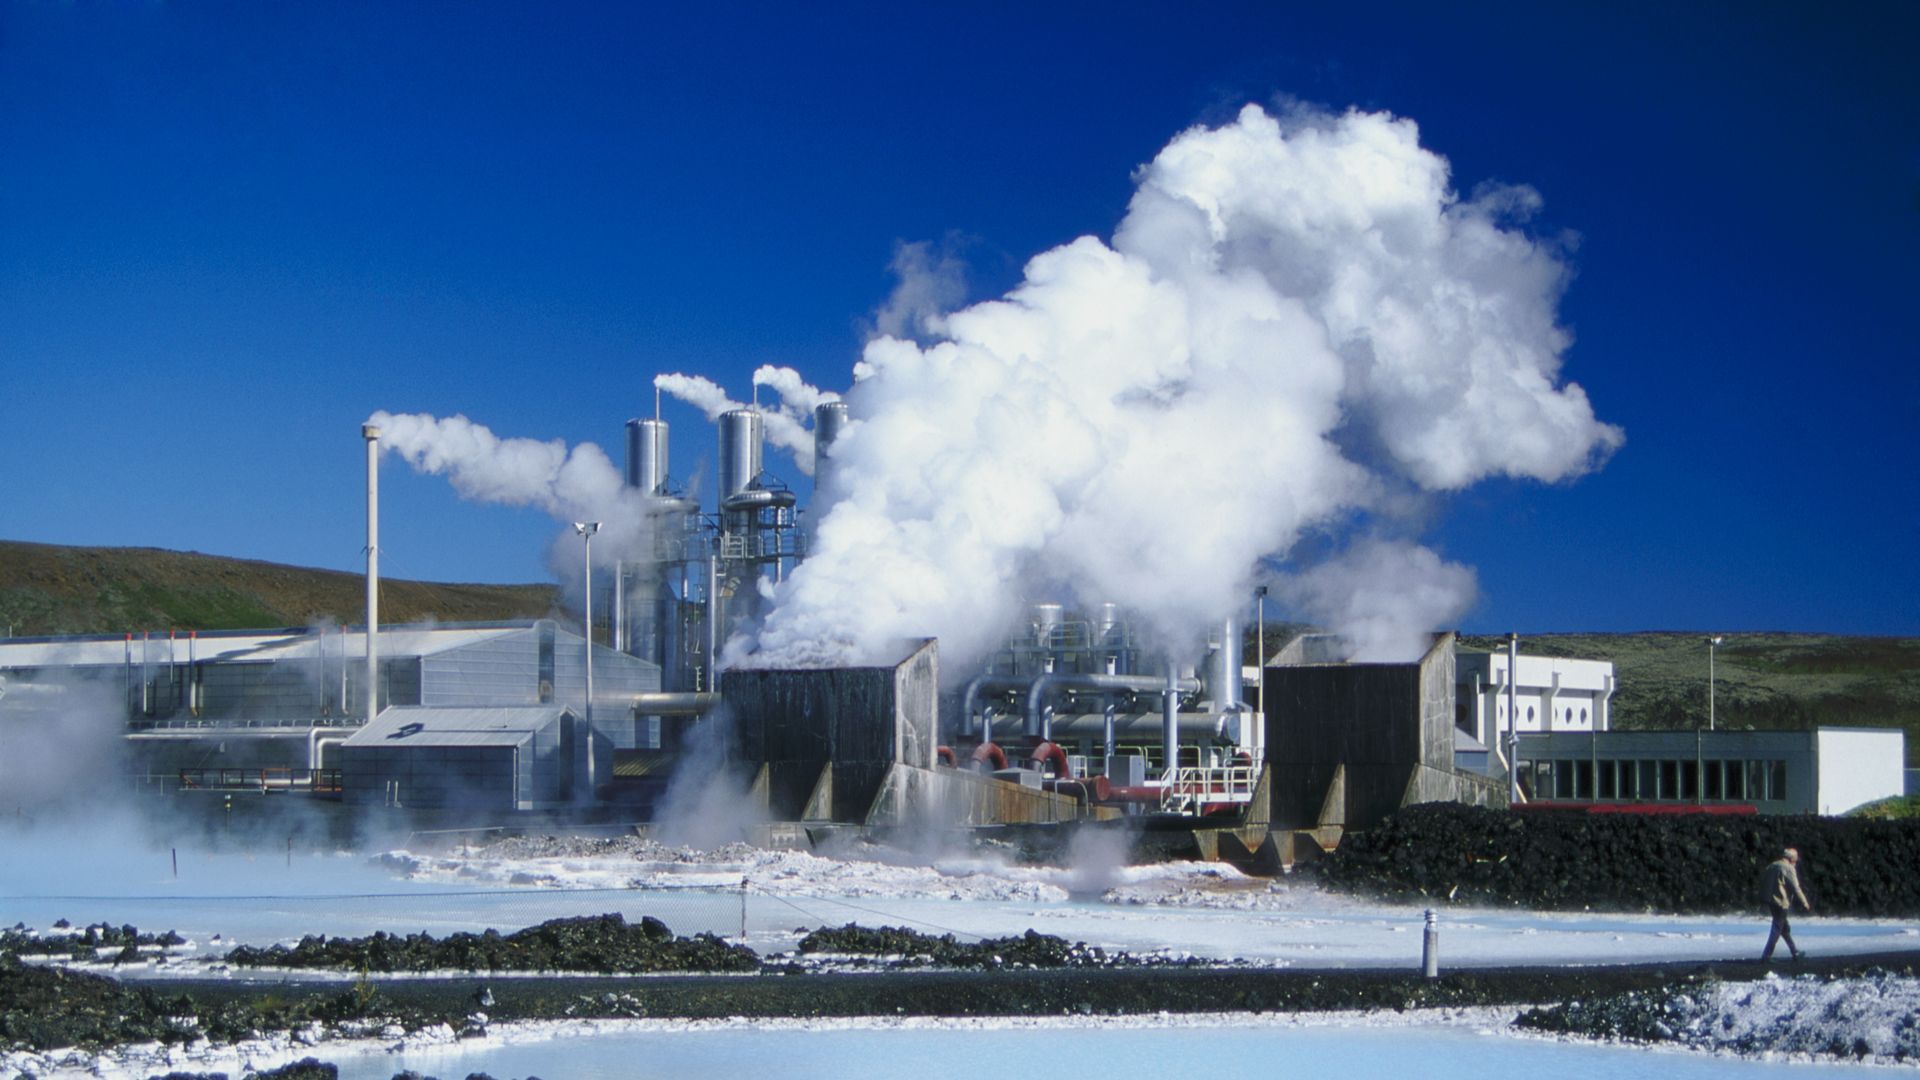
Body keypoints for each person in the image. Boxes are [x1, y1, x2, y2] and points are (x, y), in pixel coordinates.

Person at [1759, 846, 1812, 961]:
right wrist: (1804, 902)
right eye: (1796, 858)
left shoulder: (1772, 865)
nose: (1797, 860)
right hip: (1781, 902)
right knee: (1777, 928)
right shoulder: (1788, 868)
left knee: (1784, 928)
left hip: (1771, 901)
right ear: (1791, 858)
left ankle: (1794, 952)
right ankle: (1766, 956)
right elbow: (1795, 887)